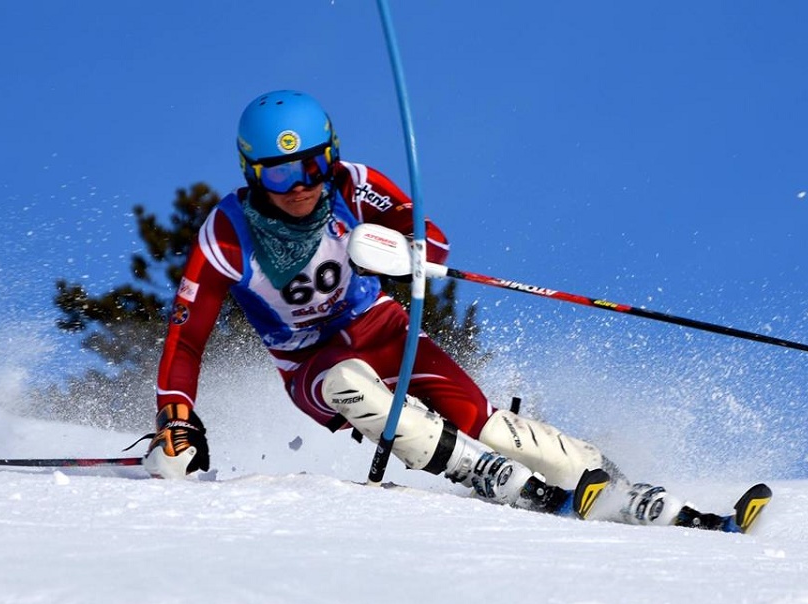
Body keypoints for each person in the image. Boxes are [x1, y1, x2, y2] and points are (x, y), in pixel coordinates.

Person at [144, 90, 763, 532]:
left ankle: (621, 486)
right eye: (280, 175)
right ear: (253, 175)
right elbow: (187, 337)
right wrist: (177, 417)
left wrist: (401, 251)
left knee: (482, 418)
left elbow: (431, 239)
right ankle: (487, 476)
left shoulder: (354, 185)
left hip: (381, 327)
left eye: (312, 165)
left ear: (330, 156)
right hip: (310, 364)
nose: (302, 185)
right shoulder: (226, 234)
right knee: (351, 385)